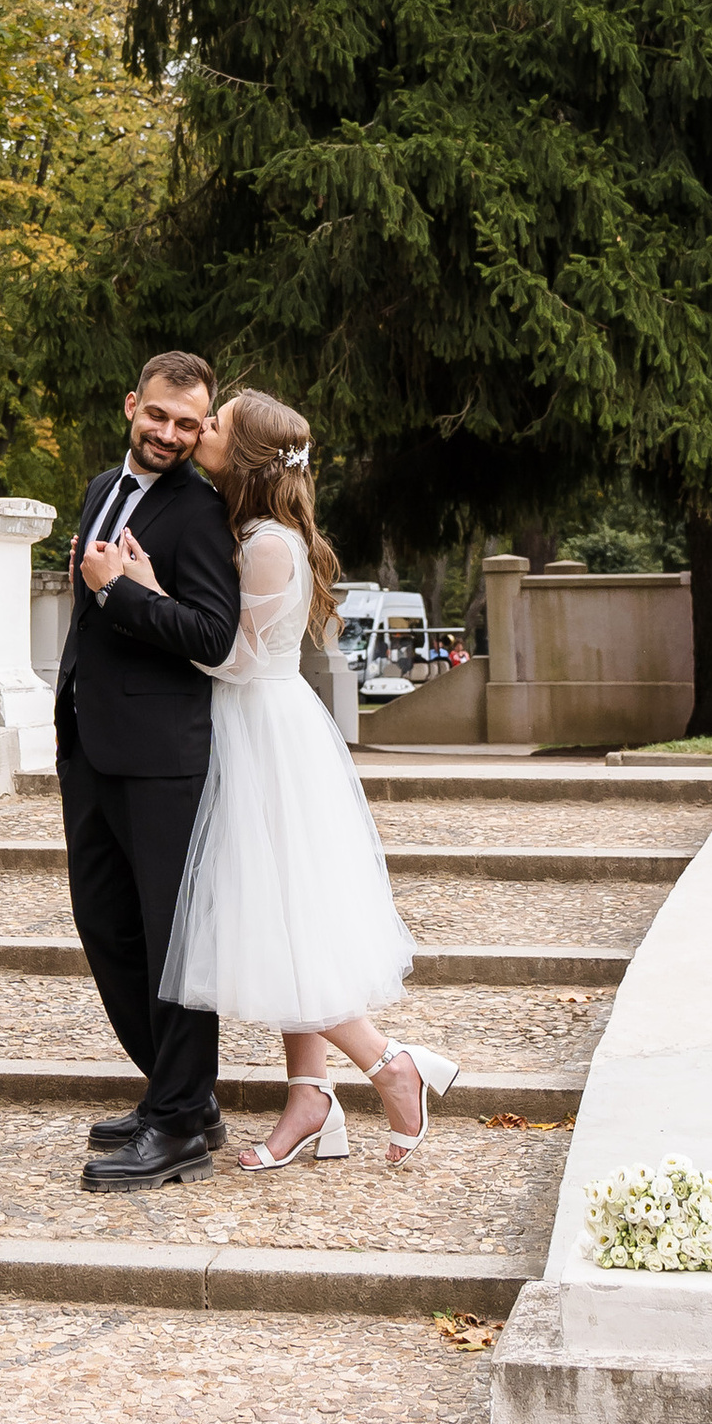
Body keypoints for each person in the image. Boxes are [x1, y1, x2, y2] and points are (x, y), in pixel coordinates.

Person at [108, 386, 459, 1169]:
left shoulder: (268, 542)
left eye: (216, 424)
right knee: (282, 913)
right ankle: (310, 1097)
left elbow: (235, 658)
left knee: (272, 915)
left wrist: (149, 592)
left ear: (244, 454)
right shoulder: (249, 527)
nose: (200, 429)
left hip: (261, 730)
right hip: (250, 723)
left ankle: (389, 1064)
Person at [57, 349, 244, 1189]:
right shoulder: (102, 487)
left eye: (188, 424)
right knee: (106, 927)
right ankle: (184, 1097)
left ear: (202, 429)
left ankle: (177, 1125)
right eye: (159, 415)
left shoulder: (201, 513)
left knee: (173, 945)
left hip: (164, 758)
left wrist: (120, 591)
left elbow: (211, 636)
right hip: (90, 747)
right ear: (132, 405)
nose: (170, 434)